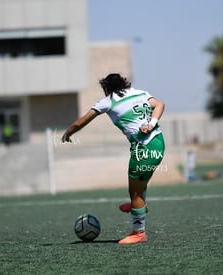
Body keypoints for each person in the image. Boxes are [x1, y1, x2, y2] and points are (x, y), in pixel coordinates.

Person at [62, 73, 165, 244]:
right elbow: (160, 105)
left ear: (106, 88)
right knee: (139, 184)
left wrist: (69, 132)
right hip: (158, 142)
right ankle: (138, 205)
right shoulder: (139, 93)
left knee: (135, 191)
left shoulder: (109, 100)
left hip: (144, 149)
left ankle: (139, 232)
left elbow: (82, 121)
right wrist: (151, 124)